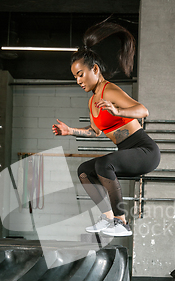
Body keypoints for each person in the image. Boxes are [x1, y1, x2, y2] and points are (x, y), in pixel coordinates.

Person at [52, 21, 160, 237]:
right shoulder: (93, 102)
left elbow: (143, 110)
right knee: (84, 170)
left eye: (80, 74)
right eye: (75, 77)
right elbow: (95, 131)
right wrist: (70, 131)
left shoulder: (109, 90)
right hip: (127, 151)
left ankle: (121, 222)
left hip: (144, 151)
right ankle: (108, 218)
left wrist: (118, 111)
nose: (78, 80)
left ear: (95, 69)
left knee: (103, 163)